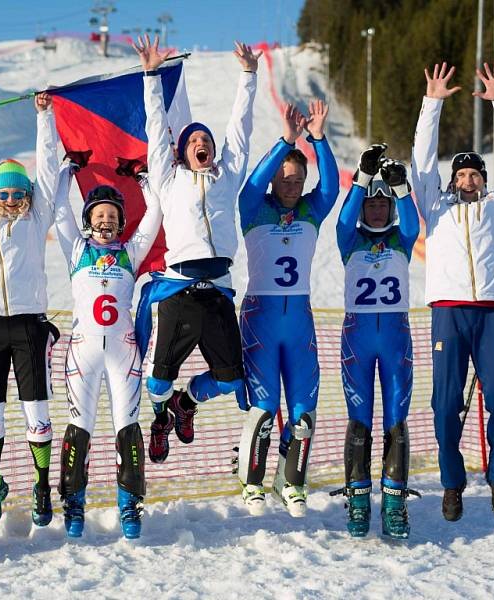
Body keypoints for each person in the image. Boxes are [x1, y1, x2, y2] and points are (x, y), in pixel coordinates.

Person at [132, 34, 260, 463]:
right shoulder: (169, 181)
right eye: (193, 141)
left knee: (229, 380)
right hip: (179, 292)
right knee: (155, 384)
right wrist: (151, 77)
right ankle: (160, 416)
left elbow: (240, 133)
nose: (201, 143)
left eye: (205, 139)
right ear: (182, 153)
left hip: (218, 292)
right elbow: (155, 133)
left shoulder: (226, 177)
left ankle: (183, 406)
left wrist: (249, 75)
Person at [411, 62, 494, 521]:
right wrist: (432, 103)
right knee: (446, 405)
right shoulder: (435, 208)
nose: (469, 178)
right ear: (451, 180)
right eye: (461, 174)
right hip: (449, 314)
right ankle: (452, 485)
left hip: (491, 314)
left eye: (476, 172)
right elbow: (421, 162)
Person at [235, 100, 338, 517]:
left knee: (302, 411)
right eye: (283, 178)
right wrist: (286, 142)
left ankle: (291, 480)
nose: (289, 185)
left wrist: (319, 139)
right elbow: (252, 183)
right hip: (260, 318)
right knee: (263, 409)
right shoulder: (253, 208)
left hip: (298, 319)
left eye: (296, 179)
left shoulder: (313, 210)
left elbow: (331, 185)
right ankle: (252, 482)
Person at [52, 156, 162, 540]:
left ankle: (130, 504)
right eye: (99, 215)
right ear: (88, 220)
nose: (106, 221)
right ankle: (73, 503)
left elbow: (156, 214)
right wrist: (68, 173)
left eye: (112, 216)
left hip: (123, 352)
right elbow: (58, 208)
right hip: (83, 352)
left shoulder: (130, 252)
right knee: (79, 428)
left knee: (127, 429)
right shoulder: (76, 249)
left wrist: (145, 180)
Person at [0, 92, 60, 529]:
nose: (9, 198)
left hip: (28, 325)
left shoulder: (36, 217)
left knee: (36, 411)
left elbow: (47, 170)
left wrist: (45, 118)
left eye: (16, 192)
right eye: (1, 192)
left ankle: (42, 483)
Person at [334, 147, 420, 539]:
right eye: (372, 204)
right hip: (358, 341)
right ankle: (357, 498)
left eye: (384, 205)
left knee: (396, 422)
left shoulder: (402, 240)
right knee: (360, 420)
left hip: (396, 341)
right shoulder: (349, 241)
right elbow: (342, 221)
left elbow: (413, 226)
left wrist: (400, 187)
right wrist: (361, 182)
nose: (377, 210)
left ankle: (395, 501)